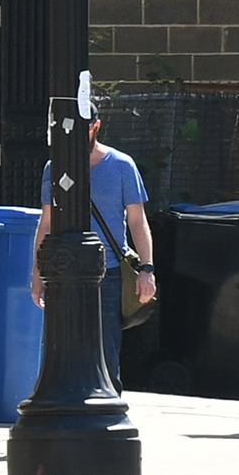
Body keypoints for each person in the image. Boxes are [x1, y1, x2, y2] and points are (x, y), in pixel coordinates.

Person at [34, 107, 156, 379]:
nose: (75, 136)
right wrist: (37, 275)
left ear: (96, 127)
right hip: (64, 272)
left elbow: (137, 221)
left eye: (82, 129)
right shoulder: (54, 168)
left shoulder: (122, 165)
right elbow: (46, 224)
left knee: (106, 351)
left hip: (109, 272)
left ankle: (109, 407)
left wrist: (147, 270)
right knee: (63, 348)